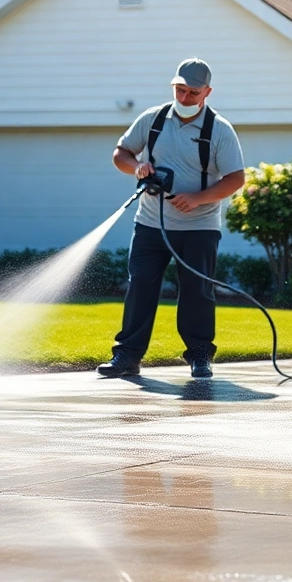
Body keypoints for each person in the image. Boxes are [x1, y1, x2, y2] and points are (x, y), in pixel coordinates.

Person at [97, 59, 245, 380]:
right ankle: (127, 356)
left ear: (208, 91)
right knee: (141, 287)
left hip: (200, 227)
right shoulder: (152, 119)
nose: (185, 98)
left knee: (197, 292)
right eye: (180, 90)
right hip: (150, 222)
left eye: (193, 92)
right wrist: (136, 167)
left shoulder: (219, 130)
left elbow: (236, 179)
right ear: (173, 86)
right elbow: (120, 153)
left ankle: (200, 357)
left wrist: (197, 198)